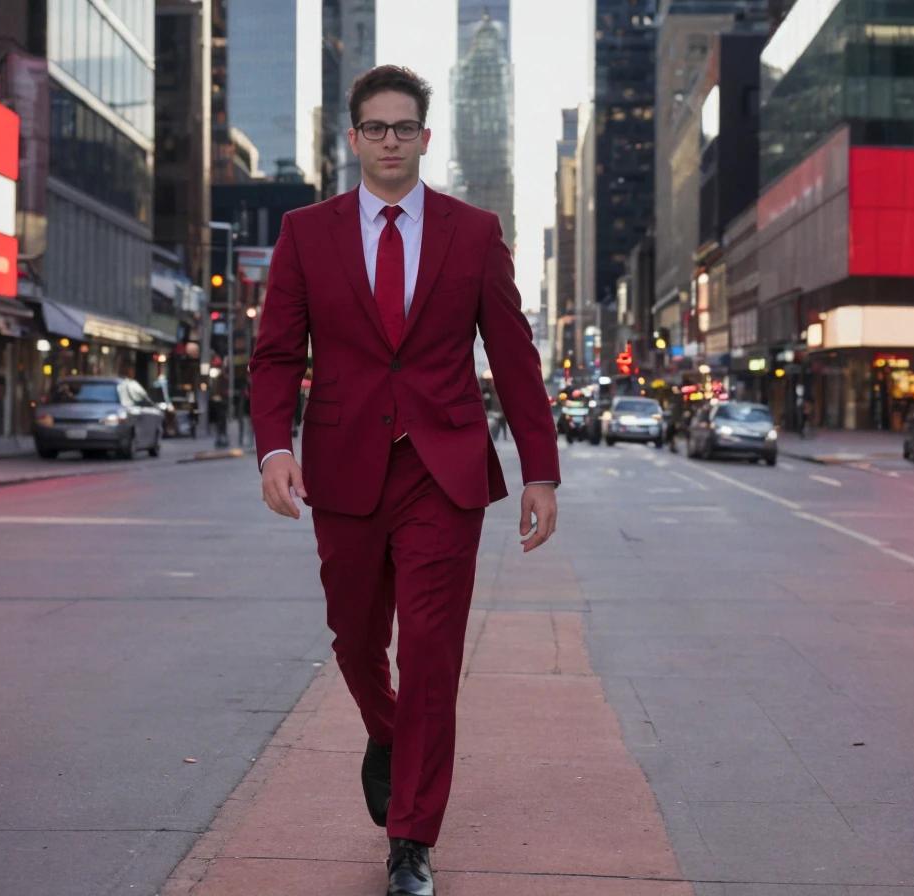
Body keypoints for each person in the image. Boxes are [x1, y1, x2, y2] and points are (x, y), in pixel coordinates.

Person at [249, 65, 559, 896]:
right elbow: (277, 352)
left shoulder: (473, 230)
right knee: (355, 639)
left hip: (444, 472)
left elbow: (514, 355)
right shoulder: (306, 233)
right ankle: (388, 735)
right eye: (375, 128)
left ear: (427, 137)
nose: (390, 141)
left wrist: (541, 471)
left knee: (429, 651)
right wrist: (274, 448)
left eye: (404, 127)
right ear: (353, 140)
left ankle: (411, 839)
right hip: (344, 470)